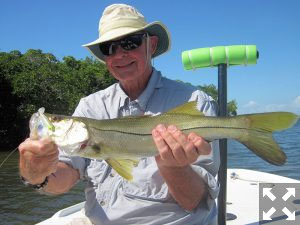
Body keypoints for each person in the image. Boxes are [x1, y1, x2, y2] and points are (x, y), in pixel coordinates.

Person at [18, 4, 220, 225]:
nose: (120, 54)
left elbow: (195, 202)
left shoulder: (194, 101)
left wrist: (173, 166)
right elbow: (65, 176)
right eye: (109, 47)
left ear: (151, 45)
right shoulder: (90, 106)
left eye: (130, 43)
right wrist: (37, 174)